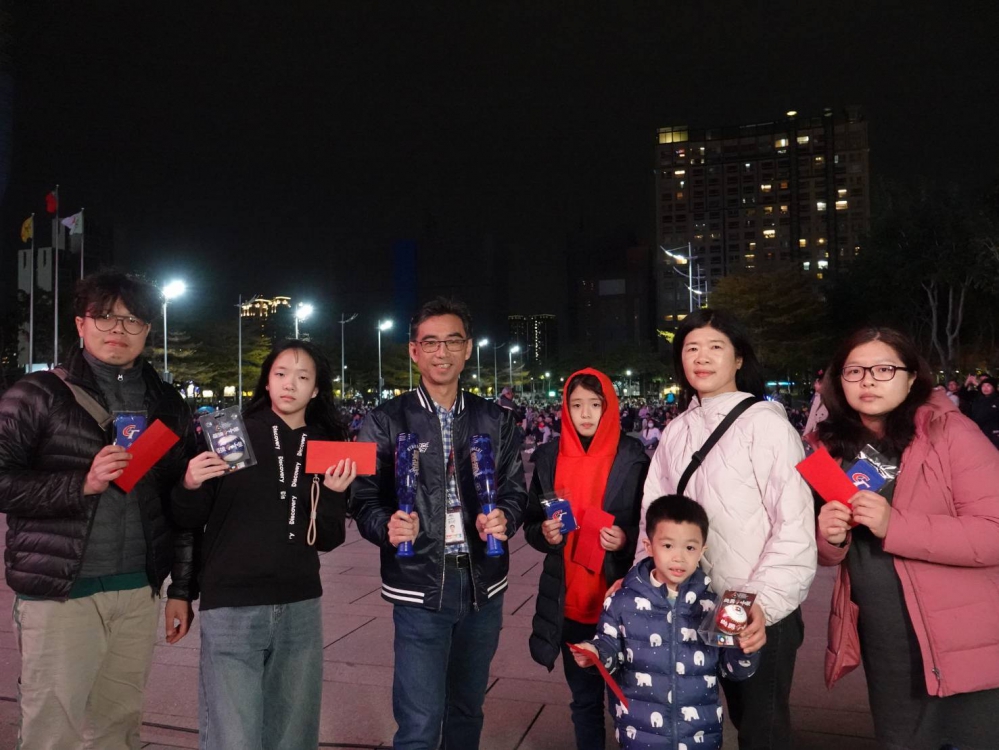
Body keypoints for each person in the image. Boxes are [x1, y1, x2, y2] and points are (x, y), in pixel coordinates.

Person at [0, 270, 198, 750]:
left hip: (137, 592)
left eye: (132, 320)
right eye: (105, 316)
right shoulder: (38, 394)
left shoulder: (166, 402)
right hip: (62, 592)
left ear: (147, 330)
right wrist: (81, 484)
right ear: (81, 323)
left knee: (118, 726)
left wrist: (181, 588)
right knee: (52, 731)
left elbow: (179, 505)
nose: (118, 329)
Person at [349, 297, 529, 750]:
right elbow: (363, 497)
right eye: (430, 343)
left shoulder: (496, 419)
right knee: (420, 722)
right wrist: (386, 526)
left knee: (467, 709)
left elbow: (515, 490)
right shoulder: (386, 419)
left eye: (452, 341)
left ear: (468, 349)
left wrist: (506, 517)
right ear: (414, 351)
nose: (441, 352)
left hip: (482, 581)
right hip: (420, 582)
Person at [634, 308, 816, 750]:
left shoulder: (766, 425)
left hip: (753, 610)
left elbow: (794, 527)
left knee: (760, 730)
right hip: (688, 606)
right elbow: (652, 519)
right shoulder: (676, 431)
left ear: (738, 359)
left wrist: (761, 604)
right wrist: (645, 587)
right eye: (691, 348)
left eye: (716, 347)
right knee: (691, 724)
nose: (702, 357)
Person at [816, 327, 999, 750]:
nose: (868, 381)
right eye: (854, 371)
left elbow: (993, 530)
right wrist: (829, 538)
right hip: (886, 634)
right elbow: (833, 552)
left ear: (912, 377)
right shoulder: (834, 448)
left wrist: (895, 525)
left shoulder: (950, 433)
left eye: (884, 369)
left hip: (962, 632)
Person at [172, 340, 355, 750]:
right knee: (232, 737)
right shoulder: (229, 433)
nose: (290, 384)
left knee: (292, 735)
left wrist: (332, 494)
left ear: (316, 389)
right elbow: (187, 518)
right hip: (232, 604)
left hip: (299, 605)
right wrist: (190, 483)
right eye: (281, 374)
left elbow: (328, 538)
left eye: (302, 377)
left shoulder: (326, 444)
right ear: (267, 382)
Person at [524, 368, 650, 750]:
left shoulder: (631, 456)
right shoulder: (549, 456)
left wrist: (625, 539)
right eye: (576, 404)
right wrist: (544, 534)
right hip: (568, 603)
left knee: (627, 701)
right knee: (584, 700)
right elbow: (532, 521)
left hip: (617, 603)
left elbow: (649, 521)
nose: (585, 413)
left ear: (608, 407)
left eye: (595, 404)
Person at [573, 495, 759, 750]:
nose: (679, 557)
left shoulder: (712, 606)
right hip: (641, 735)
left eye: (690, 548)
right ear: (649, 547)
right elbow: (609, 647)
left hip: (699, 737)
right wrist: (595, 653)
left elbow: (733, 671)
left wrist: (745, 647)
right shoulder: (621, 602)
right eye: (668, 545)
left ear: (702, 551)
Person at [968, 375, 999, 449]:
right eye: (983, 386)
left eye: (988, 386)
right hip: (979, 433)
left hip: (994, 434)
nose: (985, 388)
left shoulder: (997, 400)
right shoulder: (978, 400)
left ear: (994, 387)